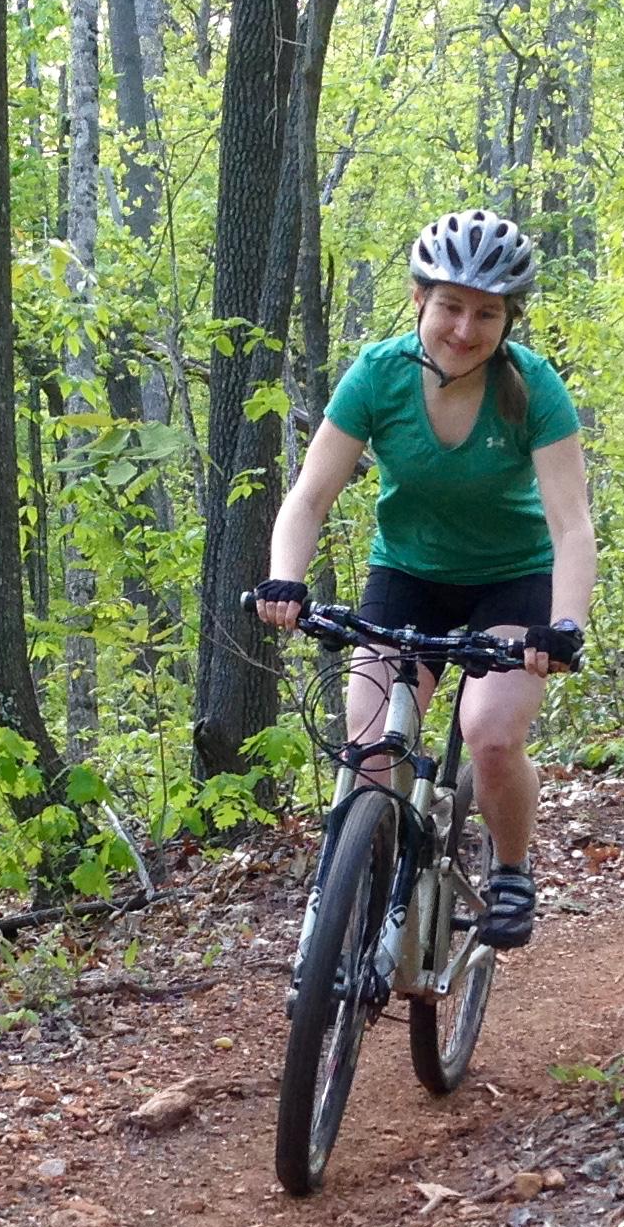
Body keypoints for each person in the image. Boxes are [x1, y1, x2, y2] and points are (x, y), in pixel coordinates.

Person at [254, 210, 594, 949]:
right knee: (371, 748)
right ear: (418, 300)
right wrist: (284, 580)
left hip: (509, 582)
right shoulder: (377, 375)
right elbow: (309, 495)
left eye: (486, 313)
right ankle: (367, 892)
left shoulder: (532, 388)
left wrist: (564, 626)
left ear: (509, 319)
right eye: (449, 306)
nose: (464, 329)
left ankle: (509, 867)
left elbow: (570, 525)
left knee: (491, 735)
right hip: (407, 576)